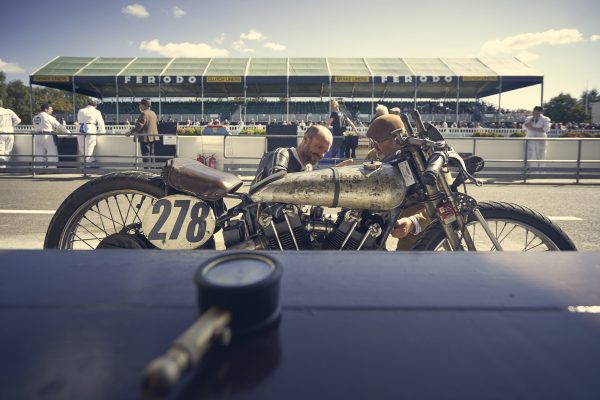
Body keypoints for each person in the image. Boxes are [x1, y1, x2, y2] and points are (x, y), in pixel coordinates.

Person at [366, 114, 432, 250]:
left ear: (396, 140)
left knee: (407, 265)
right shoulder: (373, 156)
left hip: (420, 228)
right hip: (382, 223)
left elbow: (449, 204)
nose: (375, 148)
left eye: (378, 142)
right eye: (372, 142)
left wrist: (413, 222)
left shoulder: (427, 158)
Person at [251, 124, 333, 187]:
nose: (321, 154)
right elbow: (277, 187)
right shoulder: (281, 154)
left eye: (325, 151)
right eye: (319, 147)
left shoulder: (306, 169)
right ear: (306, 139)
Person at [32, 103, 71, 168]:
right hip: (47, 136)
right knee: (52, 153)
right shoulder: (49, 117)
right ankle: (52, 169)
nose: (52, 110)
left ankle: (39, 169)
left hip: (37, 136)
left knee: (39, 154)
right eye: (50, 109)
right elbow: (59, 126)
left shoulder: (35, 117)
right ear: (46, 109)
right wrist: (69, 132)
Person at [126, 98, 159, 166]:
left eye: (141, 104)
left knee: (146, 154)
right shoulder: (153, 113)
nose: (139, 106)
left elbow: (139, 126)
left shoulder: (144, 114)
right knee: (152, 153)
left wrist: (130, 132)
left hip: (145, 138)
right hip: (153, 137)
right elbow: (156, 123)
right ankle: (153, 169)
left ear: (145, 105)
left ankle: (147, 170)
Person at [77, 99, 105, 163]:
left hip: (81, 127)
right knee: (90, 144)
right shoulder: (96, 111)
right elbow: (101, 123)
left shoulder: (80, 110)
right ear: (95, 106)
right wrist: (103, 132)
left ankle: (88, 159)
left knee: (82, 146)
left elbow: (79, 119)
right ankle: (89, 160)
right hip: (90, 127)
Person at [523, 106, 550, 170]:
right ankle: (530, 170)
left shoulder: (546, 119)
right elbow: (524, 127)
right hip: (530, 139)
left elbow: (546, 129)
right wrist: (531, 120)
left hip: (540, 139)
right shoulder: (528, 118)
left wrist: (533, 128)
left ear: (541, 112)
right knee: (530, 155)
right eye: (534, 112)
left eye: (537, 112)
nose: (535, 114)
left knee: (541, 154)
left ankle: (541, 171)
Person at [0, 99, 21, 168]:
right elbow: (18, 120)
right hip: (9, 132)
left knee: (1, 149)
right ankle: (5, 163)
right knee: (8, 150)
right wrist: (12, 126)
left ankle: (2, 165)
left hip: (0, 133)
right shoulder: (9, 111)